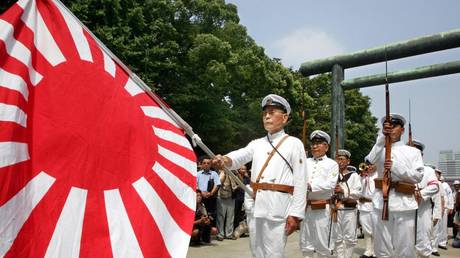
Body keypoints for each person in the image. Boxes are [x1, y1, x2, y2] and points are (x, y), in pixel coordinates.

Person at [213, 94, 308, 258]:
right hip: (256, 205)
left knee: (273, 254)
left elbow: (301, 181)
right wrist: (225, 159)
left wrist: (296, 214)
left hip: (278, 206)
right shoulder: (257, 143)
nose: (267, 116)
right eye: (265, 113)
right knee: (257, 253)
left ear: (284, 117)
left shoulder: (294, 143)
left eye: (272, 112)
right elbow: (239, 156)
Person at [365, 113, 424, 258]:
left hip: (403, 202)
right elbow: (369, 162)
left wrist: (395, 166)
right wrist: (380, 139)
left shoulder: (413, 152)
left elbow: (418, 176)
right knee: (381, 248)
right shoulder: (379, 149)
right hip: (381, 202)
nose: (390, 129)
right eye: (387, 126)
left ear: (402, 130)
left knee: (405, 248)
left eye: (394, 126)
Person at [299, 130, 338, 258]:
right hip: (305, 207)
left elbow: (330, 185)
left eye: (319, 143)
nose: (314, 146)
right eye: (313, 144)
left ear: (326, 147)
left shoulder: (332, 164)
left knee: (322, 244)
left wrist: (311, 187)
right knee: (306, 243)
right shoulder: (305, 162)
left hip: (322, 208)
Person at [410, 140, 440, 258]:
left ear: (421, 155)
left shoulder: (428, 170)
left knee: (423, 244)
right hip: (406, 210)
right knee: (405, 244)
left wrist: (420, 193)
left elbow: (435, 186)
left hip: (423, 210)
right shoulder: (403, 169)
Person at [333, 149, 362, 258]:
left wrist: (343, 191)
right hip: (335, 210)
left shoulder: (354, 176)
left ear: (348, 161)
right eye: (337, 159)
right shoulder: (332, 175)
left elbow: (358, 193)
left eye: (341, 159)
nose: (339, 162)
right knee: (337, 238)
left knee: (350, 238)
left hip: (349, 210)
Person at [358, 161, 377, 258]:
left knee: (375, 230)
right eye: (367, 165)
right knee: (366, 230)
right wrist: (362, 176)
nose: (369, 167)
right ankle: (368, 250)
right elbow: (358, 189)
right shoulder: (362, 176)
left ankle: (375, 251)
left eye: (371, 165)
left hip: (374, 207)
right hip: (363, 206)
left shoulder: (379, 175)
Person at [196, 157, 221, 232]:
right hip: (200, 198)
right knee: (201, 215)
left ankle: (209, 233)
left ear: (210, 165)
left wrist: (211, 193)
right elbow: (195, 184)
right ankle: (200, 232)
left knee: (211, 215)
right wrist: (201, 192)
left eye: (208, 163)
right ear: (201, 165)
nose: (206, 164)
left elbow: (217, 184)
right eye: (204, 163)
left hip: (211, 198)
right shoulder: (198, 174)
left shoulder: (214, 173)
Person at [216, 167, 238, 241]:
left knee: (230, 216)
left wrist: (236, 173)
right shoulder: (220, 172)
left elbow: (239, 182)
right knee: (221, 216)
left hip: (231, 196)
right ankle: (220, 234)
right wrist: (224, 173)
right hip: (221, 196)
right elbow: (219, 182)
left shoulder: (233, 172)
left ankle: (229, 234)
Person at [438, 173, 454, 250]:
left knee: (443, 226)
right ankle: (436, 242)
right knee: (436, 226)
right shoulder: (435, 184)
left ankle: (442, 242)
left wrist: (451, 207)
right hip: (436, 208)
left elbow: (450, 196)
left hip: (445, 208)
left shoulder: (446, 185)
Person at [234, 165, 251, 232]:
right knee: (236, 215)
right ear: (239, 170)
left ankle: (242, 230)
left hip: (244, 198)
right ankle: (235, 229)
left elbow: (243, 184)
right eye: (242, 169)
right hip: (237, 198)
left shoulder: (247, 178)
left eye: (245, 169)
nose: (243, 171)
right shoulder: (234, 177)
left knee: (242, 215)